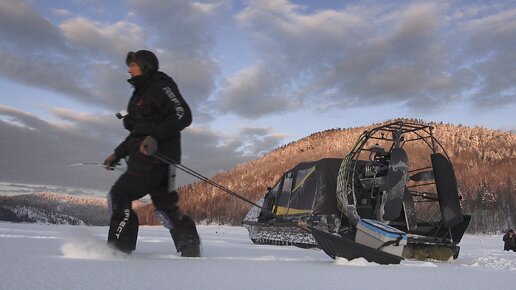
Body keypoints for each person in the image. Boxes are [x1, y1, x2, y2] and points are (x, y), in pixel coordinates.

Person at [103, 50, 200, 257]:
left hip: (153, 160)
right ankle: (190, 249)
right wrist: (117, 154)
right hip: (154, 161)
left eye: (133, 65)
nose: (129, 69)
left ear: (145, 65)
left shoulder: (160, 85)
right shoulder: (140, 94)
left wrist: (155, 137)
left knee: (119, 194)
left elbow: (183, 114)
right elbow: (138, 134)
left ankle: (119, 251)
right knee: (166, 208)